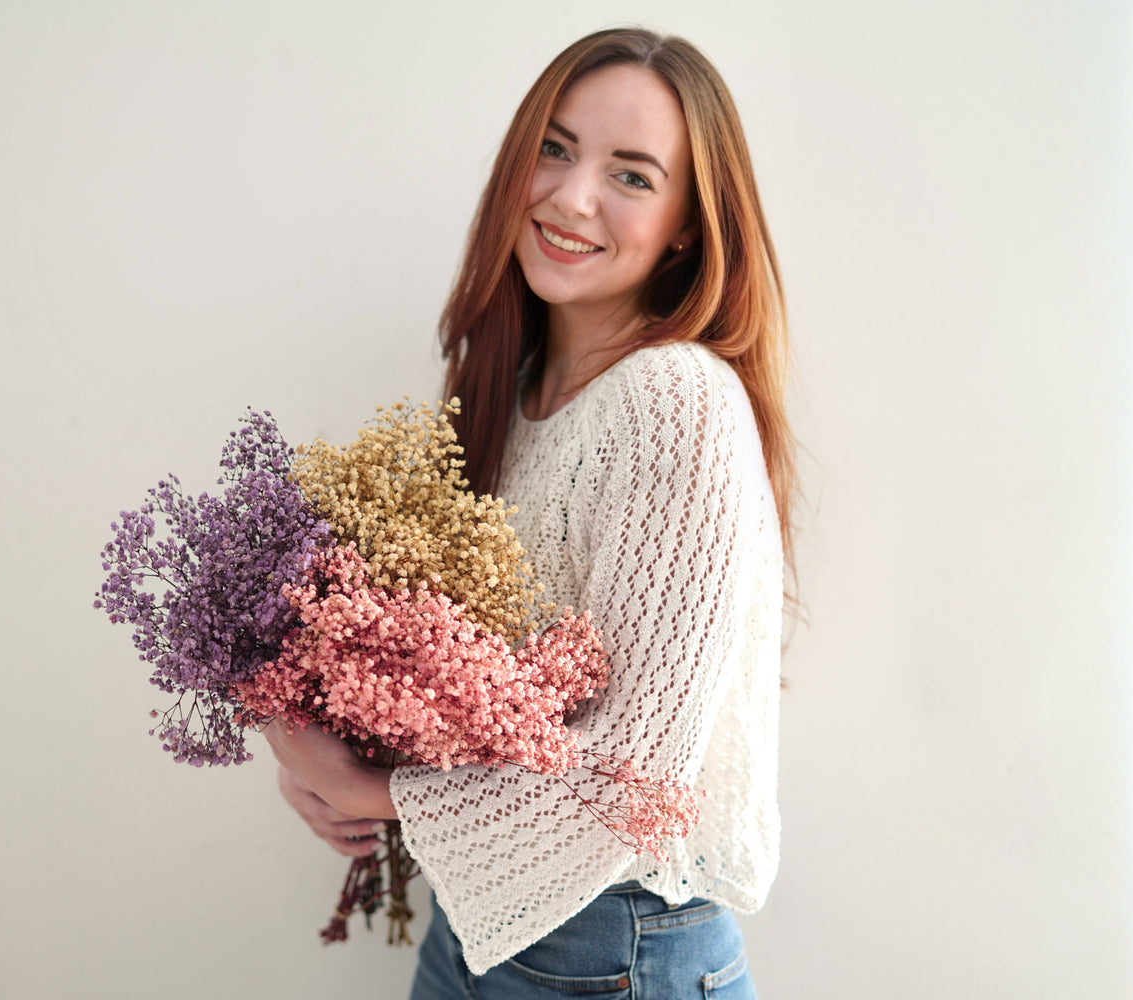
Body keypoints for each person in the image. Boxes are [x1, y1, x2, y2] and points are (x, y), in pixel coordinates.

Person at [265, 26, 793, 999]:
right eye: (554, 148)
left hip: (618, 944)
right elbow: (435, 664)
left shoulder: (678, 401)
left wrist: (376, 797)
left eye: (631, 175)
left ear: (686, 223)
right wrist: (297, 717)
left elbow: (636, 770)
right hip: (482, 925)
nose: (571, 195)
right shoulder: (509, 390)